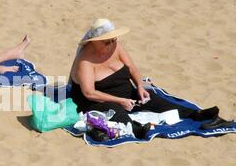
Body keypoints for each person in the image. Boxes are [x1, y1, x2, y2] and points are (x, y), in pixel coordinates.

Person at [69, 18, 232, 140]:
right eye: (107, 41)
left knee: (154, 98)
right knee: (115, 110)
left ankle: (196, 114)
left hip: (126, 95)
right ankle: (136, 129)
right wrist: (120, 101)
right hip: (100, 100)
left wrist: (139, 86)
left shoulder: (115, 46)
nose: (112, 43)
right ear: (95, 42)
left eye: (114, 39)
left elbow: (132, 68)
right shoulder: (86, 61)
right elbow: (89, 93)